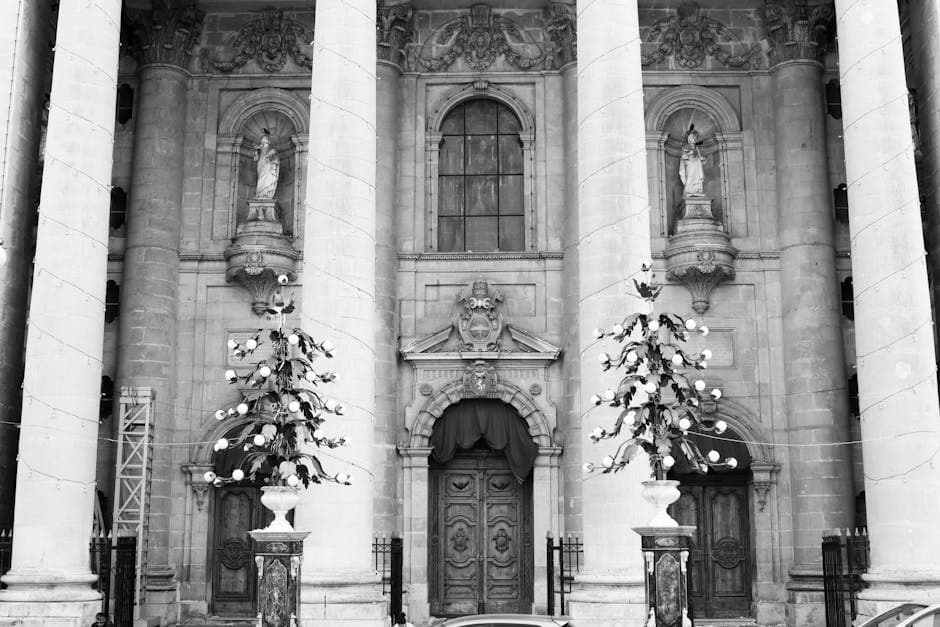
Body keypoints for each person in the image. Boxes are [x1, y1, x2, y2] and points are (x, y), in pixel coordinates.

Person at [678, 124, 706, 197]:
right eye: (693, 137)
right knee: (690, 176)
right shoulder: (685, 147)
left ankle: (697, 190)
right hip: (690, 164)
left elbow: (699, 156)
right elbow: (684, 157)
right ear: (689, 138)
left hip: (697, 164)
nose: (694, 139)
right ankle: (689, 190)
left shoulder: (696, 147)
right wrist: (690, 154)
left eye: (695, 138)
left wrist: (702, 159)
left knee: (697, 177)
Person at [253, 131, 280, 200]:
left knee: (268, 178)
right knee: (260, 179)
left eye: (265, 138)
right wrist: (256, 151)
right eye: (263, 138)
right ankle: (259, 193)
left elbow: (276, 159)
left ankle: (266, 193)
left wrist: (269, 158)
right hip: (260, 165)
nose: (264, 139)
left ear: (268, 141)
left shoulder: (272, 149)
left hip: (268, 166)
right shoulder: (259, 149)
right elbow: (255, 159)